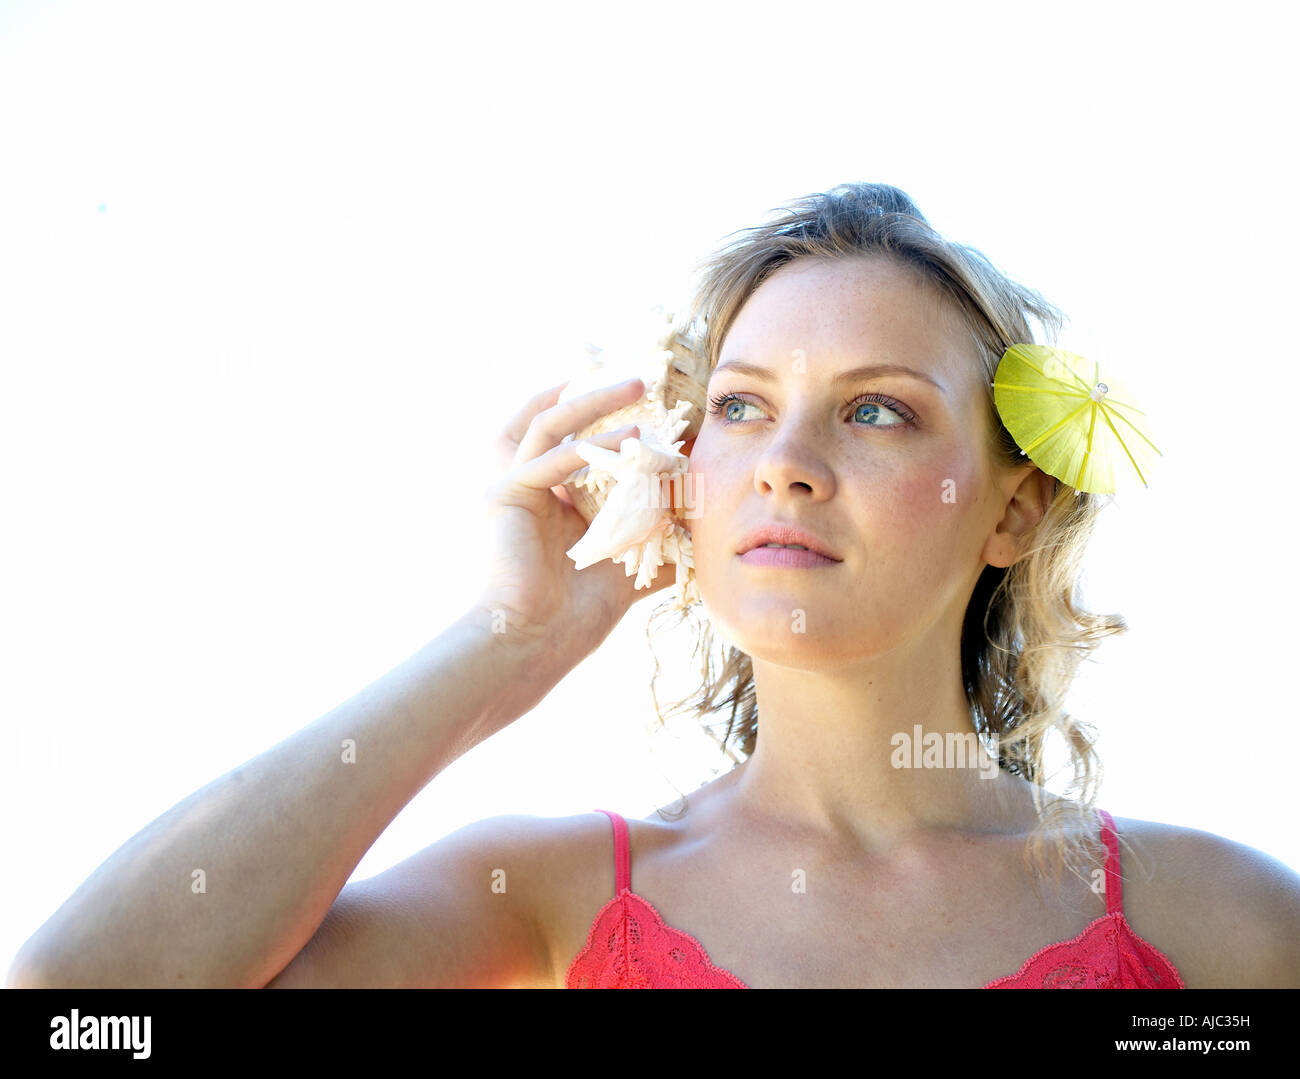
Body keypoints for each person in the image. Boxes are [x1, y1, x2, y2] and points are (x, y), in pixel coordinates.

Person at [9, 183, 1299, 989]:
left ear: (1012, 505)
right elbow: (85, 1001)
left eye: (878, 414)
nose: (785, 466)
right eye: (741, 406)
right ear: (683, 466)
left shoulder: (1224, 924)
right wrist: (502, 644)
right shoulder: (552, 899)